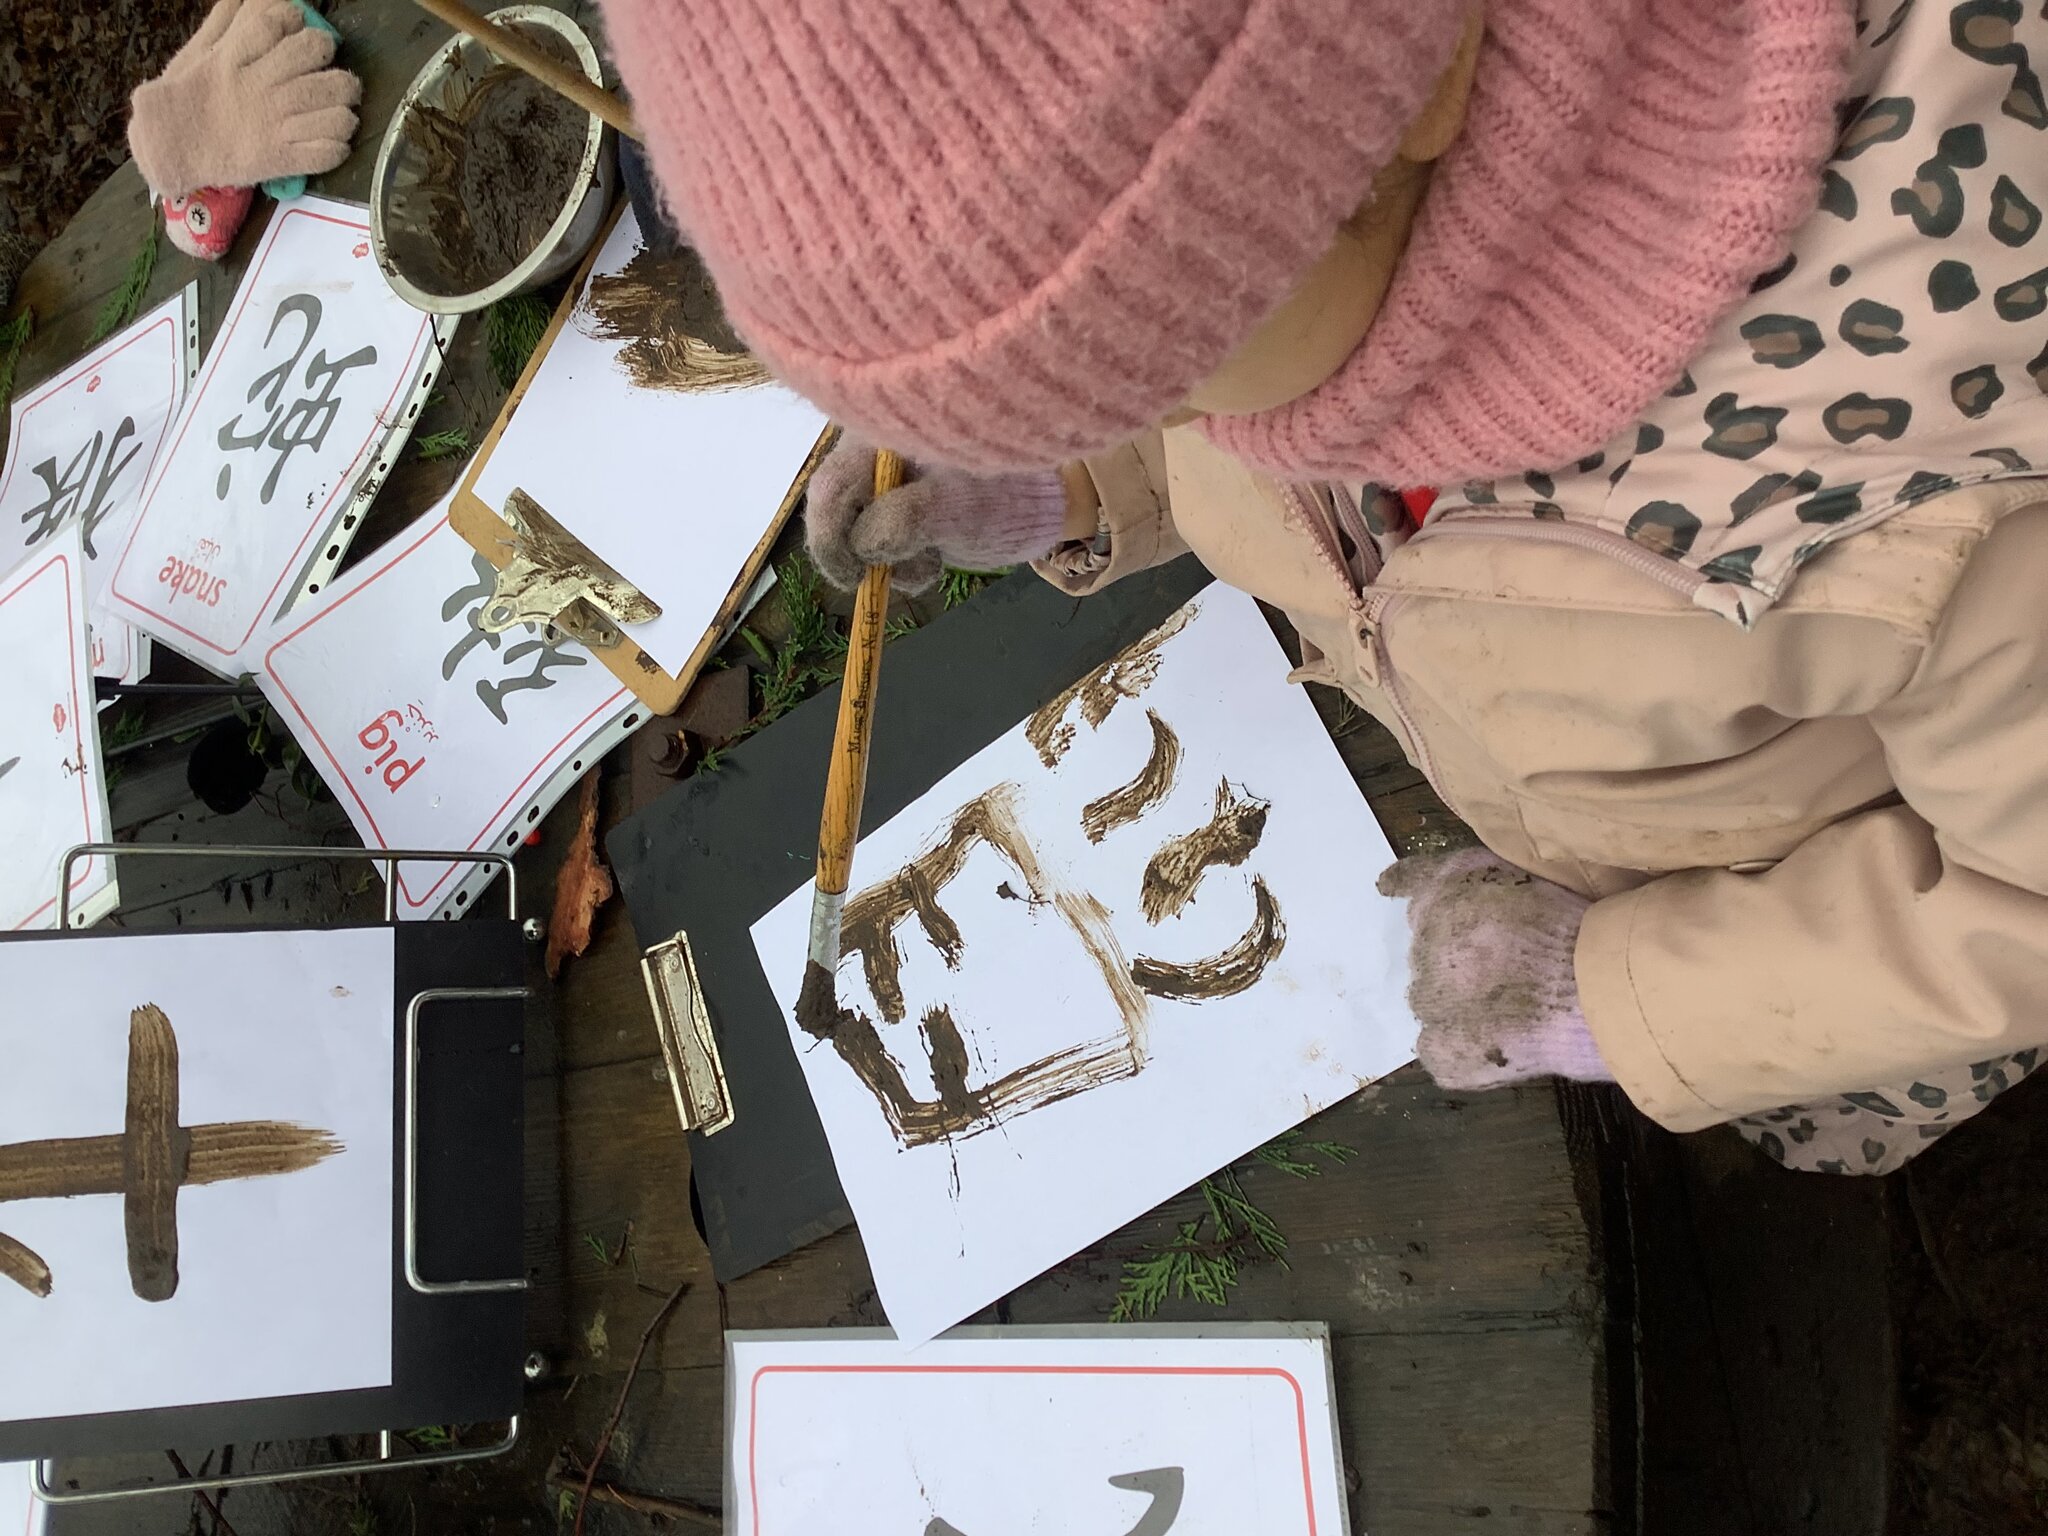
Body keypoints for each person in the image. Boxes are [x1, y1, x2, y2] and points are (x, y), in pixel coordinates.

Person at [603, 0, 2048, 1174]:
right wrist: (1077, 482)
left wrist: (1617, 999)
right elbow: (1284, 415)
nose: (1171, 410)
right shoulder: (1307, 199)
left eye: (1155, 371)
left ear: (1393, 101)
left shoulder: (1906, 466)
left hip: (1813, 923)